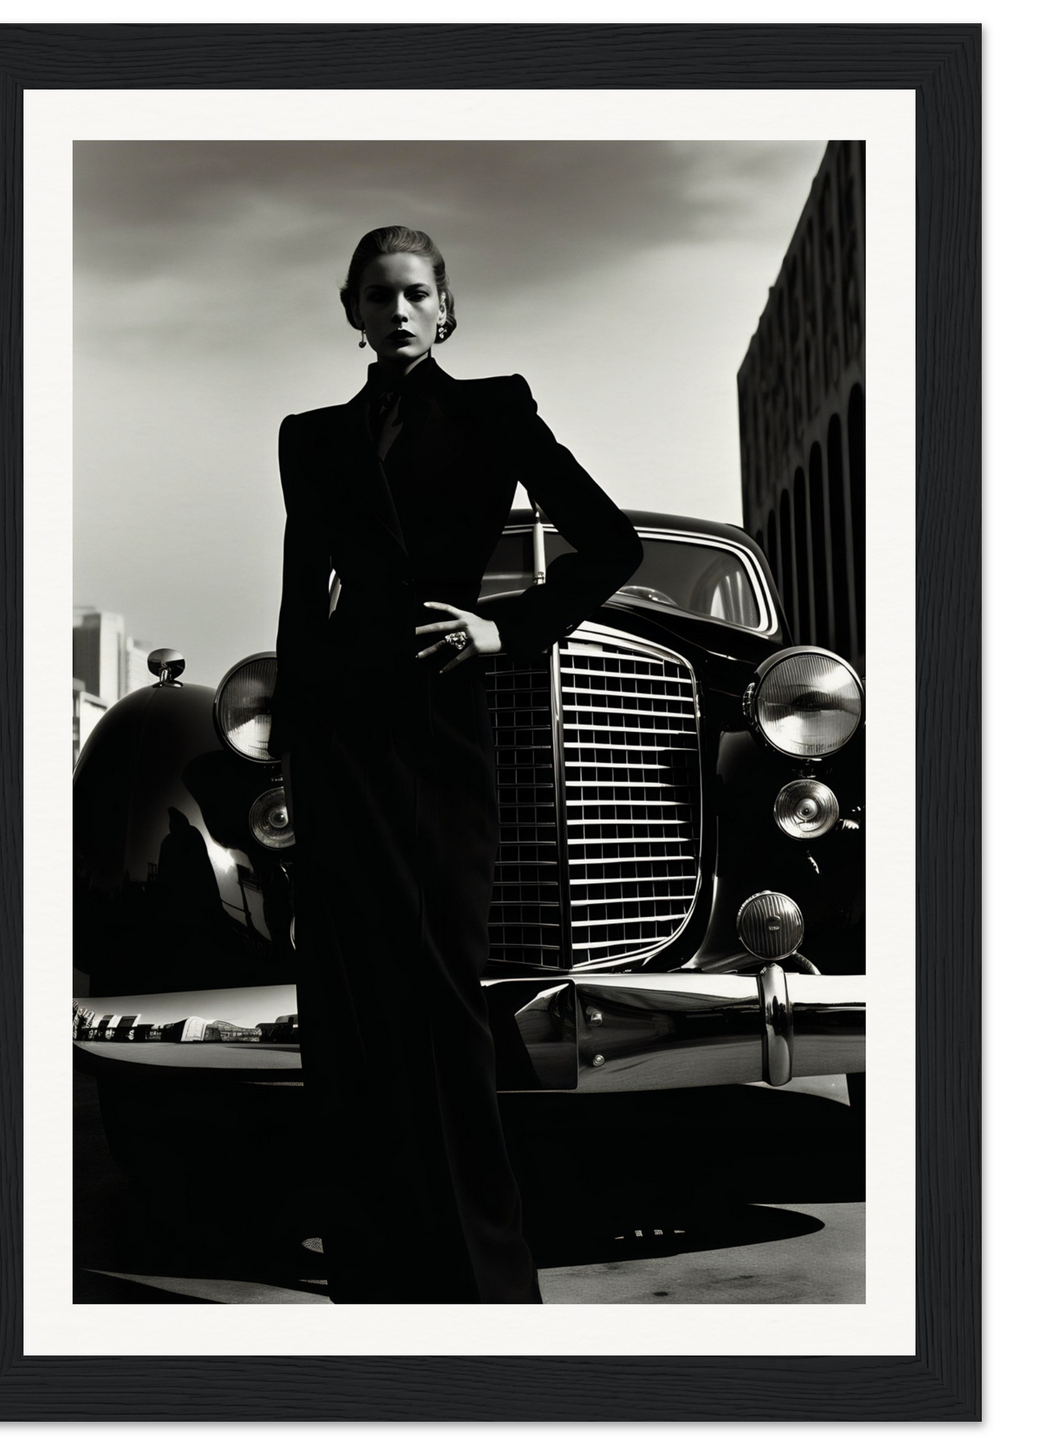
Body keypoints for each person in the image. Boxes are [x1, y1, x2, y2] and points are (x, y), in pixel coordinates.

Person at [267, 225, 643, 1303]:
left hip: (438, 737)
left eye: (415, 294)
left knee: (440, 1004)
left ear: (445, 311)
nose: (395, 311)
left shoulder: (494, 410)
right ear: (350, 310)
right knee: (350, 1013)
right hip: (340, 743)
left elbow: (606, 543)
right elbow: (301, 600)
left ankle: (482, 1280)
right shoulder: (307, 437)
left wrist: (505, 630)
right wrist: (291, 758)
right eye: (376, 295)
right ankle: (373, 1276)